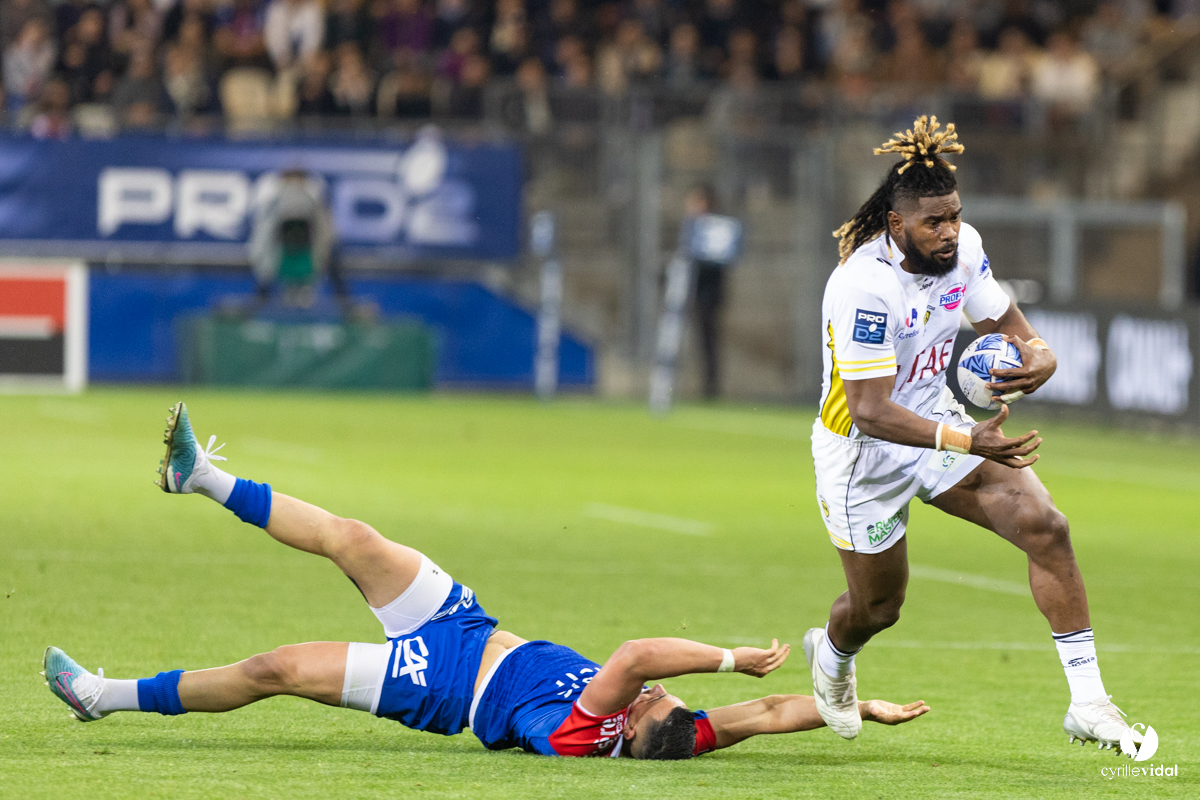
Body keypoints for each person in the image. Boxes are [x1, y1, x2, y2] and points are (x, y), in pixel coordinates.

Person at [43, 403, 929, 760]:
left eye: (658, 699)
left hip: (443, 687)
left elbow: (636, 652)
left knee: (275, 667)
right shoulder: (676, 736)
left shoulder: (592, 732)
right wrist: (854, 704)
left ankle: (103, 696)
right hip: (468, 625)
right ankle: (197, 477)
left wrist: (732, 658)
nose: (662, 690)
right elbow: (769, 718)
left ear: (638, 722)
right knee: (354, 538)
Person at [805, 115, 1134, 751]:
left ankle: (1089, 703)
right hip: (861, 454)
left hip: (939, 420)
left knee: (1047, 526)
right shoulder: (863, 286)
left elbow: (1004, 318)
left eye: (954, 215)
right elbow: (869, 409)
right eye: (934, 221)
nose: (949, 231)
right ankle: (833, 657)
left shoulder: (967, 249)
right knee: (877, 608)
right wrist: (969, 441)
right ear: (897, 224)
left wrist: (1038, 353)